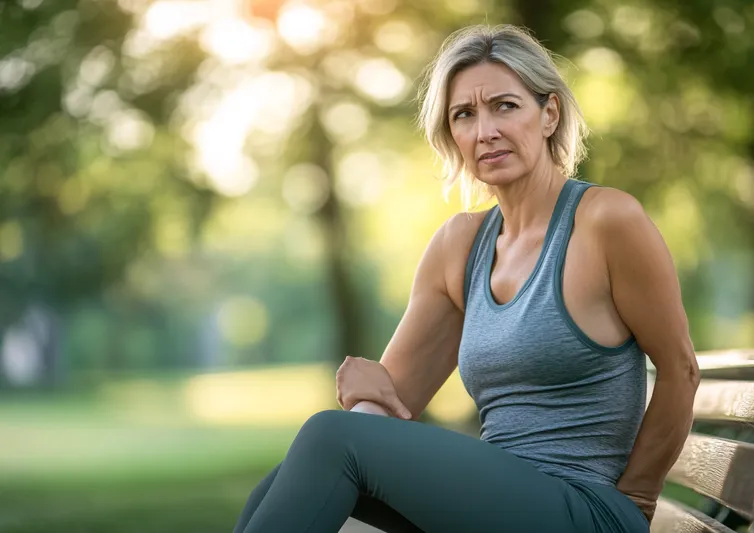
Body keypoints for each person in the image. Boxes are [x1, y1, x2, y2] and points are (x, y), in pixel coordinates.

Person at [233, 24, 699, 533]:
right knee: (286, 476)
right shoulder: (461, 247)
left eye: (505, 106)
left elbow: (680, 370)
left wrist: (634, 502)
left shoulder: (606, 221)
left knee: (326, 439)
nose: (485, 132)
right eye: (465, 115)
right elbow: (390, 408)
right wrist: (364, 392)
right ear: (451, 134)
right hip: (500, 507)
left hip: (585, 507)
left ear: (549, 114)